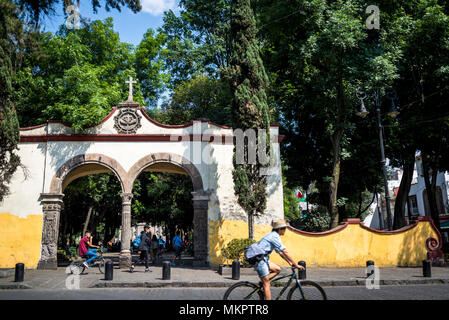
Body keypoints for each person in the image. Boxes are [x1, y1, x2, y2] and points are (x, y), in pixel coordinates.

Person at [254, 219, 304, 300]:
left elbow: (280, 252)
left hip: (262, 259)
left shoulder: (274, 235)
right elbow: (285, 251)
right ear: (279, 229)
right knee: (267, 284)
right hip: (259, 260)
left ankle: (262, 282)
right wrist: (296, 264)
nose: (285, 230)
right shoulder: (274, 236)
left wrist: (289, 262)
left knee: (277, 269)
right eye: (284, 228)